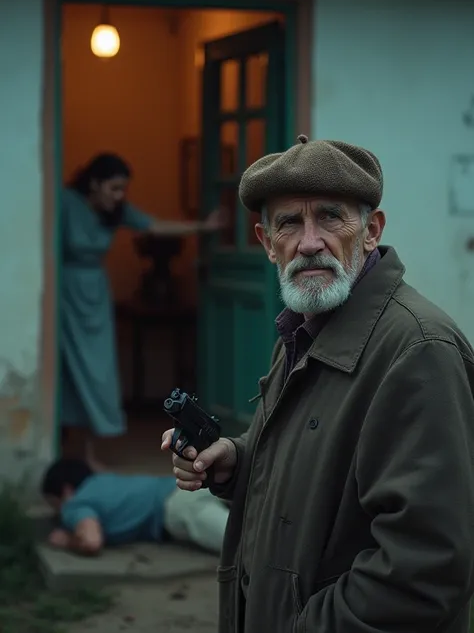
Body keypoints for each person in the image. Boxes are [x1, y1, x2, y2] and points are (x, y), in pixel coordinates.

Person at [162, 135, 474, 633]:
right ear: (267, 243)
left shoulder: (418, 351)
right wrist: (236, 462)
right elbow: (319, 479)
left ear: (371, 231)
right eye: (289, 222)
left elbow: (425, 568)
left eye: (330, 217)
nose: (310, 242)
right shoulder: (304, 326)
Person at [62, 152, 223, 467]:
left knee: (98, 370)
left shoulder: (117, 211)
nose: (120, 196)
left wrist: (203, 227)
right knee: (65, 372)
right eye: (114, 188)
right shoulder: (65, 203)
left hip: (94, 294)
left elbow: (154, 225)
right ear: (94, 183)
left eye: (123, 189)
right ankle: (65, 453)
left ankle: (91, 454)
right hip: (63, 292)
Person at [41, 458, 229, 556]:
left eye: (54, 504)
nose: (57, 512)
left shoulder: (75, 503)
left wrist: (68, 541)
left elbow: (91, 542)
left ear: (65, 491)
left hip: (177, 507)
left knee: (245, 545)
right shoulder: (104, 480)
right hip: (190, 487)